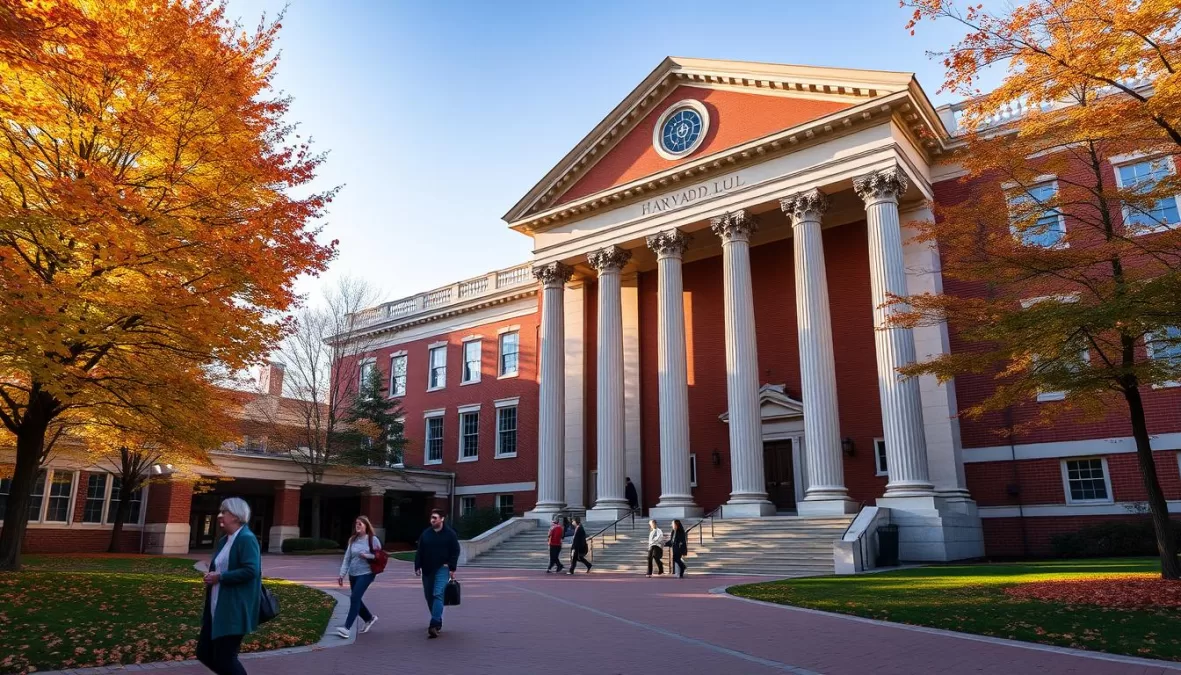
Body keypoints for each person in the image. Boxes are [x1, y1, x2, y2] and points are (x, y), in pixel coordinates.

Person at [198, 497, 260, 675]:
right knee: (204, 653)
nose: (219, 516)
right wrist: (213, 575)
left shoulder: (246, 539)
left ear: (235, 515)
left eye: (223, 512)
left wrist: (221, 577)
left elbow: (251, 571)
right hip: (215, 606)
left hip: (233, 608)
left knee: (225, 657)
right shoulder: (225, 540)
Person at [414, 508, 460, 638]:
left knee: (438, 594)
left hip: (442, 568)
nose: (432, 520)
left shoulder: (450, 534)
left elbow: (455, 550)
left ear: (442, 519)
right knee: (429, 596)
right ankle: (438, 619)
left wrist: (451, 567)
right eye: (431, 518)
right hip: (427, 569)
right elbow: (420, 550)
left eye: (435, 518)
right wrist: (417, 565)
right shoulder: (426, 534)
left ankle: (433, 624)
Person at [335, 515, 381, 638]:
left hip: (366, 574)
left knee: (354, 597)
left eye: (360, 524)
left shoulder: (373, 539)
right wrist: (342, 574)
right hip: (353, 574)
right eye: (356, 523)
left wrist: (367, 556)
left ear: (366, 526)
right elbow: (347, 558)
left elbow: (379, 556)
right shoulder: (353, 540)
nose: (357, 526)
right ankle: (369, 618)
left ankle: (346, 628)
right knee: (356, 599)